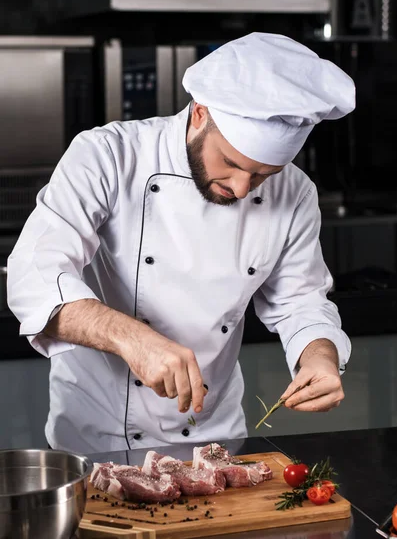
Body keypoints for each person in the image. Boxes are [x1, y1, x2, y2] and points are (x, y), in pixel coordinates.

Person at [7, 33, 355, 454]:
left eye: (264, 175)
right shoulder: (109, 155)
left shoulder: (295, 193)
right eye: (230, 163)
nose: (242, 188)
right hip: (97, 444)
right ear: (199, 114)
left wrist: (319, 357)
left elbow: (301, 302)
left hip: (215, 441)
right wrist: (133, 338)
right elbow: (35, 275)